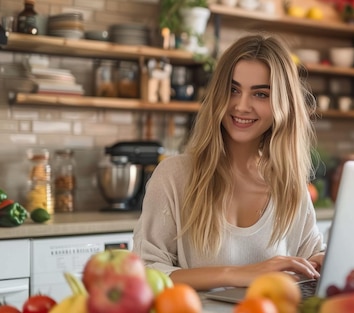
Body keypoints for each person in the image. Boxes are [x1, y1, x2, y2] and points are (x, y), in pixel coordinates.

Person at [133, 34, 325, 291]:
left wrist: (322, 263)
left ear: (283, 104)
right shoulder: (174, 176)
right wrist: (236, 275)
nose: (242, 106)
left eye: (260, 94)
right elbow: (144, 273)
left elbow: (313, 258)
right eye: (233, 90)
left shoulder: (289, 186)